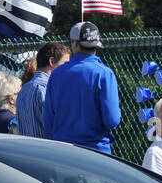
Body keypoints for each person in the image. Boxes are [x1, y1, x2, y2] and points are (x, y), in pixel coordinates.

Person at [43, 21, 120, 153]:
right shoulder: (104, 74)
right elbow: (112, 120)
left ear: (75, 43)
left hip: (63, 150)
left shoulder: (57, 74)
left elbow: (48, 119)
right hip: (96, 151)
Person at [15, 41, 70, 138]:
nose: (68, 68)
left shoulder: (23, 90)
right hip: (48, 150)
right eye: (65, 63)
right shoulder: (48, 89)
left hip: (24, 150)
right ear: (51, 61)